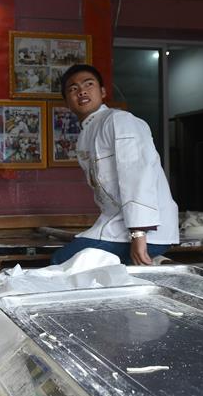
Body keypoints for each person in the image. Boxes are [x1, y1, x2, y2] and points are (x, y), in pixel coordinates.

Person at [50, 64, 177, 266]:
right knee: (71, 261)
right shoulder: (85, 134)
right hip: (117, 225)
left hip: (148, 229)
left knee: (64, 262)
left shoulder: (119, 120)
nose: (81, 91)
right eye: (73, 89)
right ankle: (154, 262)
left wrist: (138, 234)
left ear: (102, 92)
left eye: (88, 84)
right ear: (67, 102)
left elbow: (137, 175)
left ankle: (152, 260)